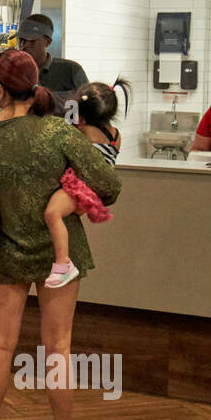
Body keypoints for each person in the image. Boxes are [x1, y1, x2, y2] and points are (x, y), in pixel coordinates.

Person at [0, 49, 120, 420]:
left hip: (5, 251)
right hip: (58, 257)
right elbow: (108, 182)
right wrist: (71, 203)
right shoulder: (59, 132)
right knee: (58, 349)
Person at [43, 79, 132, 288]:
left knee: (52, 213)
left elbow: (64, 138)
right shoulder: (115, 135)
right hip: (94, 191)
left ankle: (63, 263)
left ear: (81, 117)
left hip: (80, 188)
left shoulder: (82, 133)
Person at [15, 14, 89, 117]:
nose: (24, 46)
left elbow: (89, 109)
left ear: (48, 42)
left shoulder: (71, 71)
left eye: (32, 41)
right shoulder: (14, 73)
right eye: (22, 40)